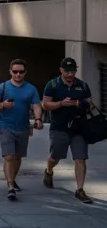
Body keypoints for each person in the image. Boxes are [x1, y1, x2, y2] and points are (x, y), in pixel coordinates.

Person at [42, 58, 94, 204]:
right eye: (67, 71)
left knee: (80, 158)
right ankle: (49, 170)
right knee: (55, 157)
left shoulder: (82, 86)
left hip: (79, 128)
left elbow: (90, 104)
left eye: (73, 71)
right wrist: (61, 103)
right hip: (59, 127)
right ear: (61, 70)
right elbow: (45, 105)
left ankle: (80, 189)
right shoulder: (52, 85)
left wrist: (79, 103)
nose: (70, 74)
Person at [0, 59, 43, 201]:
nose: (18, 74)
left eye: (21, 72)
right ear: (10, 72)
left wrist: (38, 120)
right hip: (6, 126)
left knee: (18, 157)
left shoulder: (31, 89)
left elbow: (37, 105)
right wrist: (2, 105)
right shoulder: (3, 87)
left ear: (25, 73)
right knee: (9, 157)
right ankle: (10, 187)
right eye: (15, 71)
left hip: (23, 127)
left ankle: (12, 179)